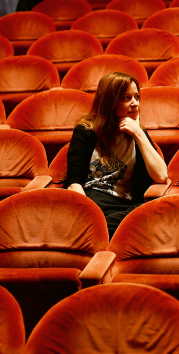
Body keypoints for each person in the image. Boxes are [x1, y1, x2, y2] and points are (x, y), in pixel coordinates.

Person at [63, 72, 168, 237]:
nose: (135, 104)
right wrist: (87, 214)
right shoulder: (86, 131)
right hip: (91, 201)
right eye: (126, 98)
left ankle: (88, 231)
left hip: (122, 206)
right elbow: (74, 184)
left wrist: (139, 134)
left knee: (154, 211)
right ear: (110, 101)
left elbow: (162, 176)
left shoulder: (137, 133)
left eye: (137, 97)